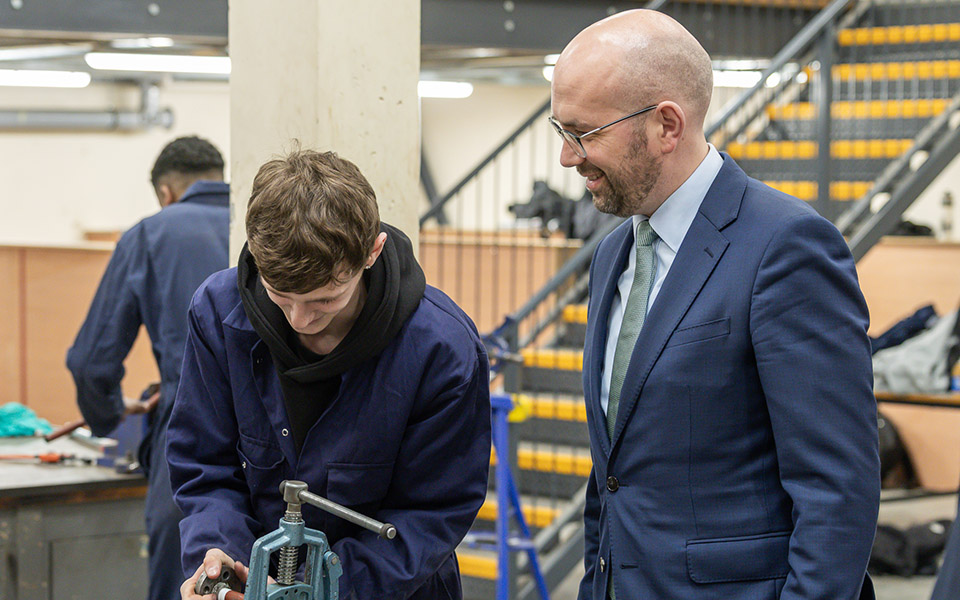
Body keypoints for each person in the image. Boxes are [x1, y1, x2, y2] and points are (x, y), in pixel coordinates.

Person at [549, 10, 880, 600]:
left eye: (585, 134)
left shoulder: (786, 247)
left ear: (666, 125)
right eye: (561, 131)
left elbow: (837, 490)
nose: (568, 158)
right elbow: (614, 477)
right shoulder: (612, 255)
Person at [166, 149, 491, 600]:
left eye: (325, 299)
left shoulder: (442, 349)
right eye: (280, 296)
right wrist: (222, 556)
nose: (300, 320)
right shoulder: (218, 313)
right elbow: (204, 465)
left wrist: (322, 590)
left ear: (372, 252)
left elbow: (432, 513)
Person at [66, 136, 230, 600]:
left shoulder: (151, 234)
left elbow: (91, 362)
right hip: (285, 448)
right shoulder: (268, 225)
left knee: (190, 581)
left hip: (192, 441)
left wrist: (110, 416)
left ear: (165, 192)